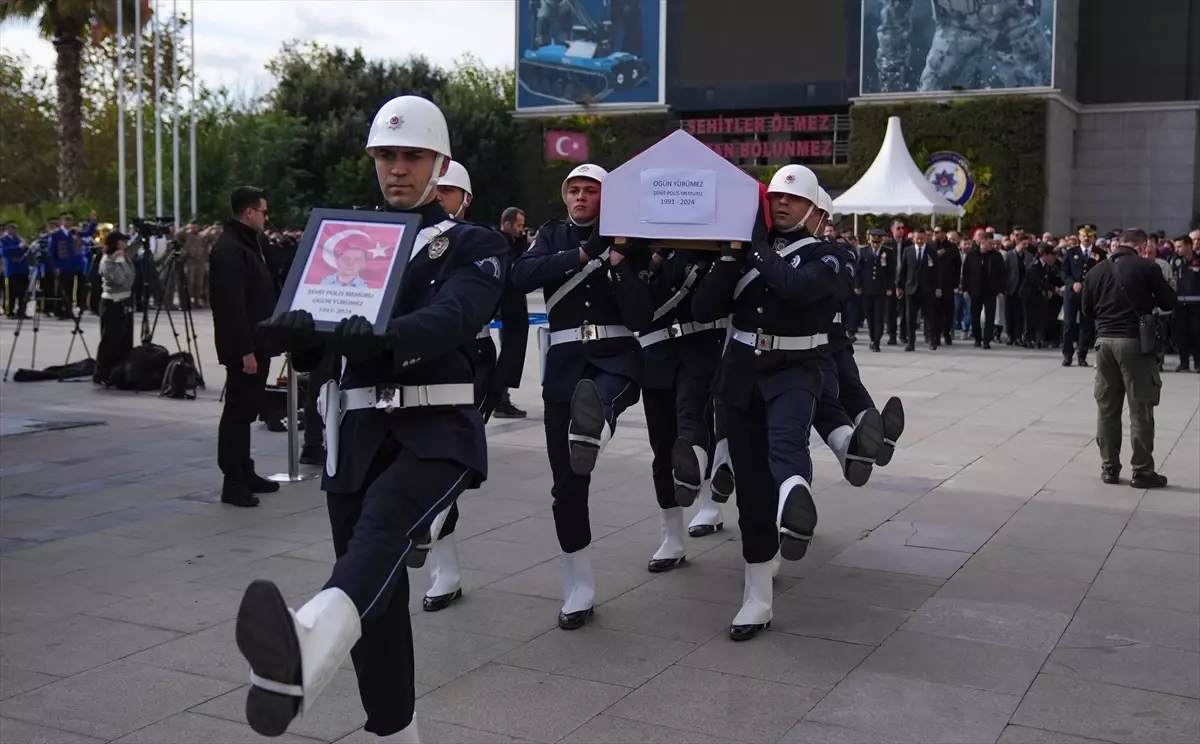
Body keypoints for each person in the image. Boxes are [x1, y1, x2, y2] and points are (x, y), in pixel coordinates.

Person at [237, 95, 507, 743]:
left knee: (382, 531)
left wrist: (384, 339)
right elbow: (324, 346)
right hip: (354, 440)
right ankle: (395, 732)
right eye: (386, 155)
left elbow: (456, 318)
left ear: (440, 163)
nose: (397, 168)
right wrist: (304, 340)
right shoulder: (349, 243)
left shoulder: (472, 242)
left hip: (435, 432)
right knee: (376, 602)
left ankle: (302, 649)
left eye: (412, 155)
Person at [691, 164, 844, 641]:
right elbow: (703, 309)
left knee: (786, 443)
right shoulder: (742, 254)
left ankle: (796, 502)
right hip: (740, 374)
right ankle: (757, 596)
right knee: (752, 485)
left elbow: (798, 288)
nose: (781, 204)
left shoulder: (831, 254)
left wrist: (751, 246)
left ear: (814, 210)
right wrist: (728, 260)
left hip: (796, 370)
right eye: (776, 197)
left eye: (793, 200)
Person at [510, 163, 655, 630]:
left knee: (606, 399)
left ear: (606, 196)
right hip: (567, 360)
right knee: (566, 485)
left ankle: (600, 423)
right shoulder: (552, 235)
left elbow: (642, 312)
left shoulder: (629, 238)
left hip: (616, 353)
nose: (580, 198)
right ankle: (579, 584)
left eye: (590, 190)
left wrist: (619, 264)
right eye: (573, 190)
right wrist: (582, 254)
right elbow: (522, 275)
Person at [637, 239, 726, 572]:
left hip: (701, 347)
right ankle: (672, 537)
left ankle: (711, 502)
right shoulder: (643, 246)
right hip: (657, 354)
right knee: (662, 446)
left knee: (693, 428)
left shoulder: (708, 241)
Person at [1081, 228, 1175, 488]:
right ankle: (1142, 470)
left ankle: (1109, 468)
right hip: (1135, 343)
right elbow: (1170, 301)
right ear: (1142, 245)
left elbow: (1087, 310)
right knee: (1140, 408)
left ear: (1117, 244)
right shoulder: (1147, 268)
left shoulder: (1096, 271)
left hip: (1104, 343)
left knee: (1107, 408)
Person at [209, 186, 281, 508]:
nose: (267, 218)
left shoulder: (250, 243)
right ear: (249, 213)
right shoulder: (229, 249)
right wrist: (245, 351)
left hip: (258, 341)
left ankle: (245, 469)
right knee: (237, 413)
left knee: (247, 409)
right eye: (264, 212)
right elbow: (231, 306)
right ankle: (232, 480)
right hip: (245, 346)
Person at [491, 207, 531, 419]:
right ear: (506, 224)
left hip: (511, 306)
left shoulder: (512, 244)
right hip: (504, 307)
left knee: (510, 353)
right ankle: (499, 398)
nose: (521, 230)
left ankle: (500, 396)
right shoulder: (498, 244)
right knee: (507, 353)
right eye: (519, 226)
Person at [93, 230, 137, 385]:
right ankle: (102, 373)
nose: (126, 244)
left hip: (125, 301)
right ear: (116, 243)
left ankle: (119, 371)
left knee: (124, 339)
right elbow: (120, 280)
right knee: (109, 340)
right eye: (123, 241)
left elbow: (131, 278)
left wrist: (123, 262)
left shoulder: (123, 257)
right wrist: (120, 263)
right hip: (112, 303)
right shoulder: (107, 261)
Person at [1061, 224, 1098, 367]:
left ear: (1094, 237)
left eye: (1089, 236)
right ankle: (1067, 355)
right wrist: (1072, 283)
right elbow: (1064, 272)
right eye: (1084, 235)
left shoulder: (1099, 253)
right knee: (1069, 324)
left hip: (1088, 295)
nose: (1086, 238)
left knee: (1086, 325)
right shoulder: (1071, 252)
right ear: (1079, 237)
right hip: (1072, 294)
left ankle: (1082, 355)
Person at [961, 230, 1005, 349]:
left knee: (990, 315)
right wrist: (965, 288)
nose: (992, 246)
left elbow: (1002, 274)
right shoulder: (972, 255)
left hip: (991, 290)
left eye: (993, 244)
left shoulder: (996, 256)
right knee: (975, 315)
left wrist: (1000, 289)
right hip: (975, 290)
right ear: (981, 242)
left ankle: (987, 339)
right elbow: (966, 273)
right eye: (989, 244)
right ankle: (977, 338)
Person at [899, 228, 940, 351]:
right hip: (911, 288)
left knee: (929, 316)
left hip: (927, 288)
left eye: (922, 238)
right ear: (913, 239)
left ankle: (932, 341)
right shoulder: (908, 251)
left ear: (926, 238)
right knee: (910, 318)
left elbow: (937, 271)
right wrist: (899, 286)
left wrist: (938, 287)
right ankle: (911, 343)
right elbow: (903, 270)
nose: (920, 240)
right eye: (917, 238)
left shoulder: (931, 251)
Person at [856, 227, 894, 352]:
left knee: (879, 317)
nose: (875, 245)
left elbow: (890, 272)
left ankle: (877, 341)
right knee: (869, 316)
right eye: (873, 242)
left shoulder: (888, 252)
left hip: (880, 289)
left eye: (878, 242)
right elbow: (859, 271)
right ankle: (872, 338)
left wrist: (889, 287)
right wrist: (857, 286)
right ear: (870, 241)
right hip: (867, 289)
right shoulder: (864, 252)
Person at [1168, 234, 1200, 372]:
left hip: (1197, 303)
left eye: (1180, 246)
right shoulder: (1174, 260)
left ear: (1188, 246)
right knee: (1181, 333)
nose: (1177, 249)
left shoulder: (1198, 260)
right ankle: (1184, 362)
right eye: (1176, 246)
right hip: (1180, 303)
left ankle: (1198, 363)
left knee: (1197, 332)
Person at [2, 222, 30, 318]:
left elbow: (26, 250)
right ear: (7, 229)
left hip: (23, 269)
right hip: (12, 269)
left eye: (15, 228)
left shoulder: (19, 239)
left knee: (23, 293)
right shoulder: (4, 240)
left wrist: (26, 246)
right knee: (12, 293)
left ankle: (21, 311)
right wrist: (19, 247)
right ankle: (9, 312)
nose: (14, 230)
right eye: (12, 228)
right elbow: (5, 252)